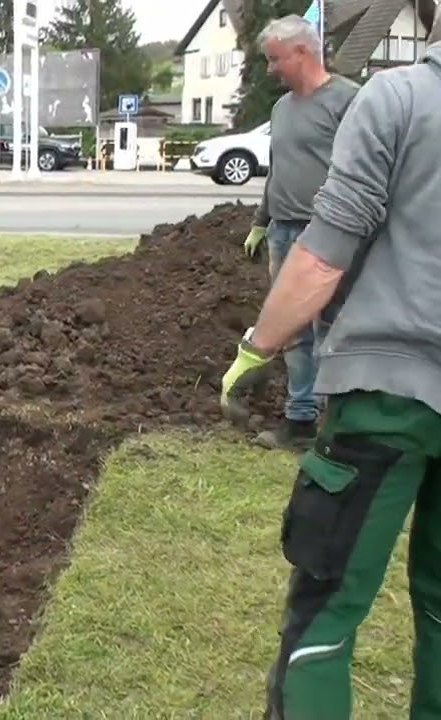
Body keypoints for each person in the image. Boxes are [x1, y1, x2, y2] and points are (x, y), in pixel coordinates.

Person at [219, 38, 441, 720]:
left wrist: (259, 349)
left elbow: (325, 254)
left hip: (385, 398)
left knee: (326, 613)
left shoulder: (398, 99)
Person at [240, 15, 359, 452]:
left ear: (302, 52)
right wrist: (260, 220)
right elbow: (277, 172)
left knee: (334, 328)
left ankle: (339, 424)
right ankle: (300, 420)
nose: (270, 69)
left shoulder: (349, 102)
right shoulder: (280, 109)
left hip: (331, 234)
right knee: (293, 332)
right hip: (284, 232)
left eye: (274, 59)